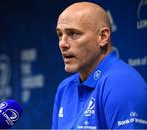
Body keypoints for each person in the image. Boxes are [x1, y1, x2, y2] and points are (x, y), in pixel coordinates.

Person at [52, 1, 147, 129]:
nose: (62, 44)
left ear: (103, 36)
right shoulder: (64, 88)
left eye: (73, 34)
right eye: (60, 35)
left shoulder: (121, 83)